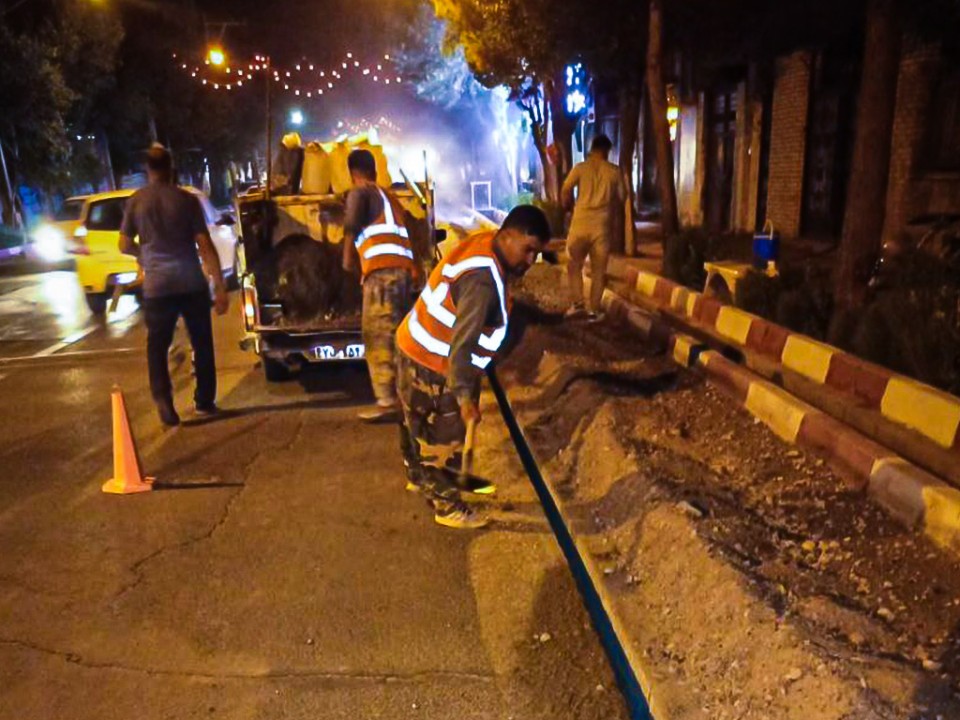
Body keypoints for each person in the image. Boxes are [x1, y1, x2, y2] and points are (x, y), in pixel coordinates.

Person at [395, 205, 551, 529]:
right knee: (445, 437)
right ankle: (447, 506)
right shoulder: (482, 283)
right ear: (508, 236)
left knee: (416, 421)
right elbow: (462, 347)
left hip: (413, 344)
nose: (530, 260)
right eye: (528, 250)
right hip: (437, 363)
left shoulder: (486, 245)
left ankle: (418, 476)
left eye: (536, 253)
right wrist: (465, 397)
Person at [119, 144, 229, 427]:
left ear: (148, 169)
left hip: (157, 287)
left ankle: (163, 400)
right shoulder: (186, 200)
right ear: (171, 168)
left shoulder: (136, 201)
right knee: (201, 342)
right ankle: (204, 401)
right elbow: (204, 245)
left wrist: (144, 255)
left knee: (157, 346)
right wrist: (219, 286)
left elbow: (124, 244)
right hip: (190, 282)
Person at [343, 148, 418, 423]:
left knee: (378, 336)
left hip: (381, 276)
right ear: (375, 171)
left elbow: (351, 226)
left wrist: (347, 260)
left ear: (352, 173)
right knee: (398, 339)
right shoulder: (389, 197)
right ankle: (405, 398)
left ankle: (387, 402)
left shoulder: (359, 191)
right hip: (402, 275)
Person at [561, 134, 627, 321]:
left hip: (580, 223)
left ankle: (577, 304)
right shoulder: (614, 171)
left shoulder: (580, 168)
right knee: (598, 271)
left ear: (592, 148)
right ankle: (594, 311)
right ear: (606, 150)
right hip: (602, 226)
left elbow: (565, 189)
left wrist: (568, 207)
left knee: (574, 265)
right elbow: (623, 197)